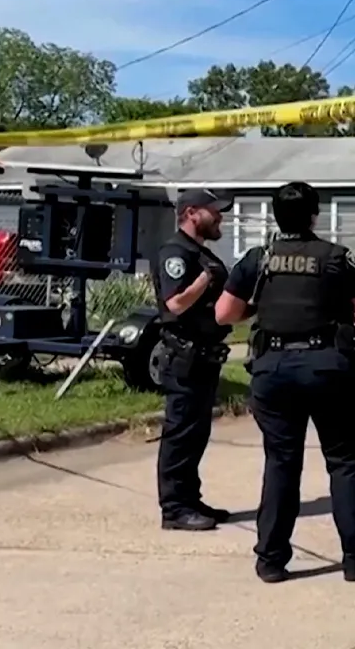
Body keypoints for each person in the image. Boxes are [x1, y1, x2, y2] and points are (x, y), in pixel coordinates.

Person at [214, 181, 355, 584]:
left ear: (276, 216)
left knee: (281, 464)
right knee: (345, 461)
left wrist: (263, 307)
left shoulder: (258, 259)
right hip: (328, 368)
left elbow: (224, 314)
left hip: (274, 369)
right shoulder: (336, 258)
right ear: (315, 215)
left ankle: (270, 560)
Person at [152, 188, 235, 531]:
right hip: (183, 357)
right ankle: (173, 509)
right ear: (190, 213)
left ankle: (190, 499)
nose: (220, 217)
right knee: (180, 433)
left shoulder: (204, 255)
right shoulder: (176, 253)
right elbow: (175, 305)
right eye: (213, 211)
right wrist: (203, 280)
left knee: (196, 434)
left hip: (205, 357)